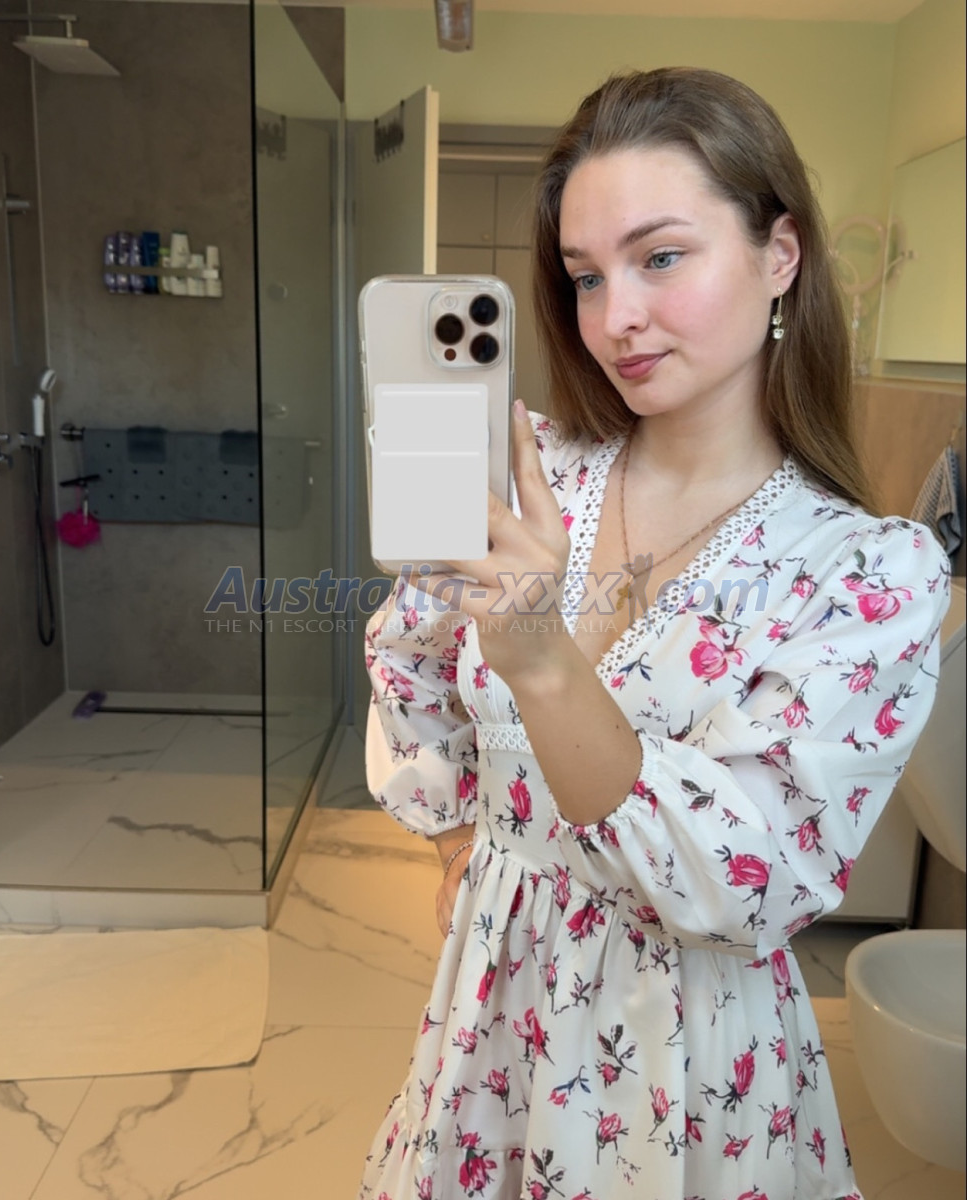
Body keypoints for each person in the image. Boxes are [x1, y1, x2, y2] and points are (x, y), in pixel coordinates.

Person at [357, 67, 950, 1200]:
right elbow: (409, 657)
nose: (613, 317)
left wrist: (540, 658)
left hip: (686, 1051)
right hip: (491, 1011)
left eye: (660, 257)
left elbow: (748, 876)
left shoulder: (863, 574)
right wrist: (458, 843)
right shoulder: (530, 475)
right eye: (585, 276)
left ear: (779, 257)